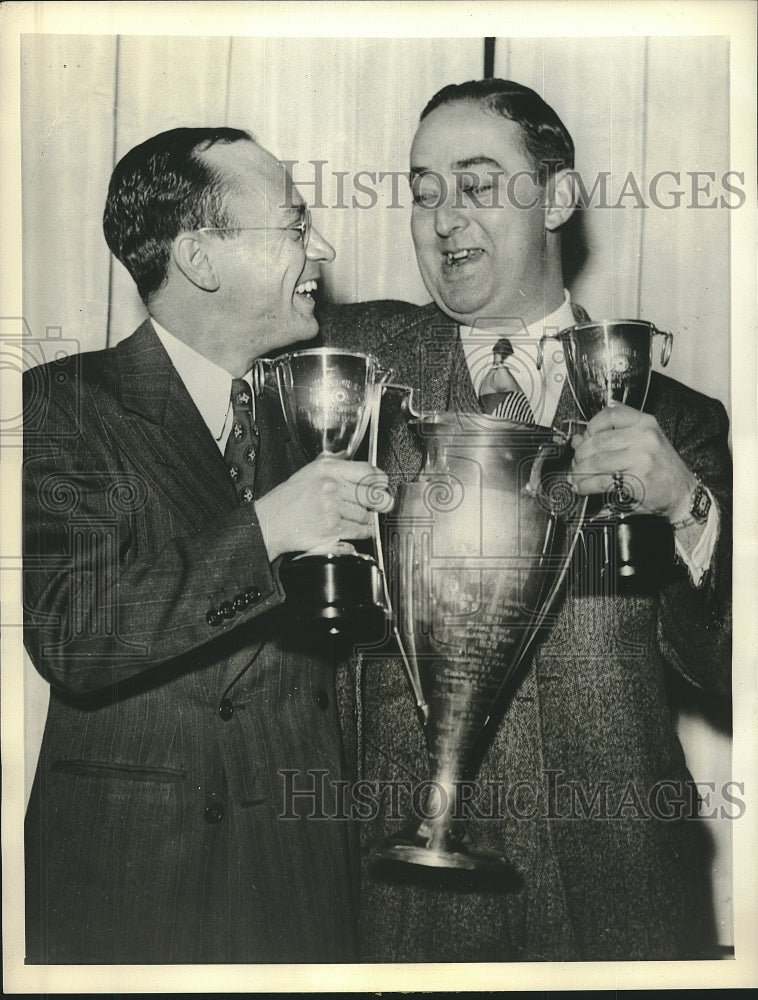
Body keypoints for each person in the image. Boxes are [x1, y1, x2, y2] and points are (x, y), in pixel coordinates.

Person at [319, 80, 732, 961]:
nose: (443, 218)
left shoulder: (673, 413)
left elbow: (728, 664)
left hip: (619, 883)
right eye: (424, 192)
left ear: (558, 196)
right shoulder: (352, 370)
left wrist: (689, 509)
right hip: (406, 884)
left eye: (476, 185)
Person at [23, 126, 388, 964]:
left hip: (300, 879)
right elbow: (73, 633)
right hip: (137, 884)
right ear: (201, 259)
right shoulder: (66, 402)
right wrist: (271, 528)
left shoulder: (317, 412)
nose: (321, 247)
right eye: (296, 225)